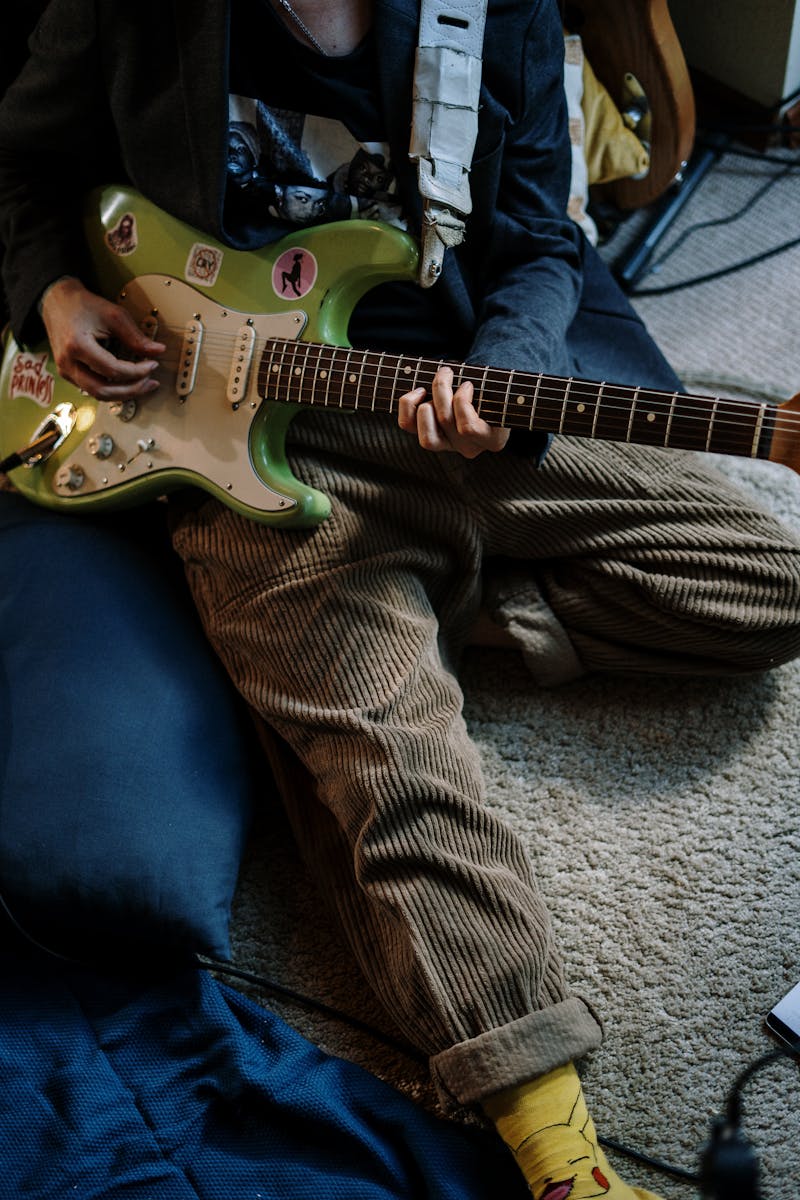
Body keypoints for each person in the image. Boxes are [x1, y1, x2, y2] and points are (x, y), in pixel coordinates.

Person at [1, 2, 799, 1197]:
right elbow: (23, 167)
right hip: (254, 455)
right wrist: (55, 294)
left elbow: (538, 238)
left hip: (457, 406)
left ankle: (430, 616)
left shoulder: (500, 6)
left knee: (764, 584)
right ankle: (564, 1160)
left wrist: (510, 377)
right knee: (398, 779)